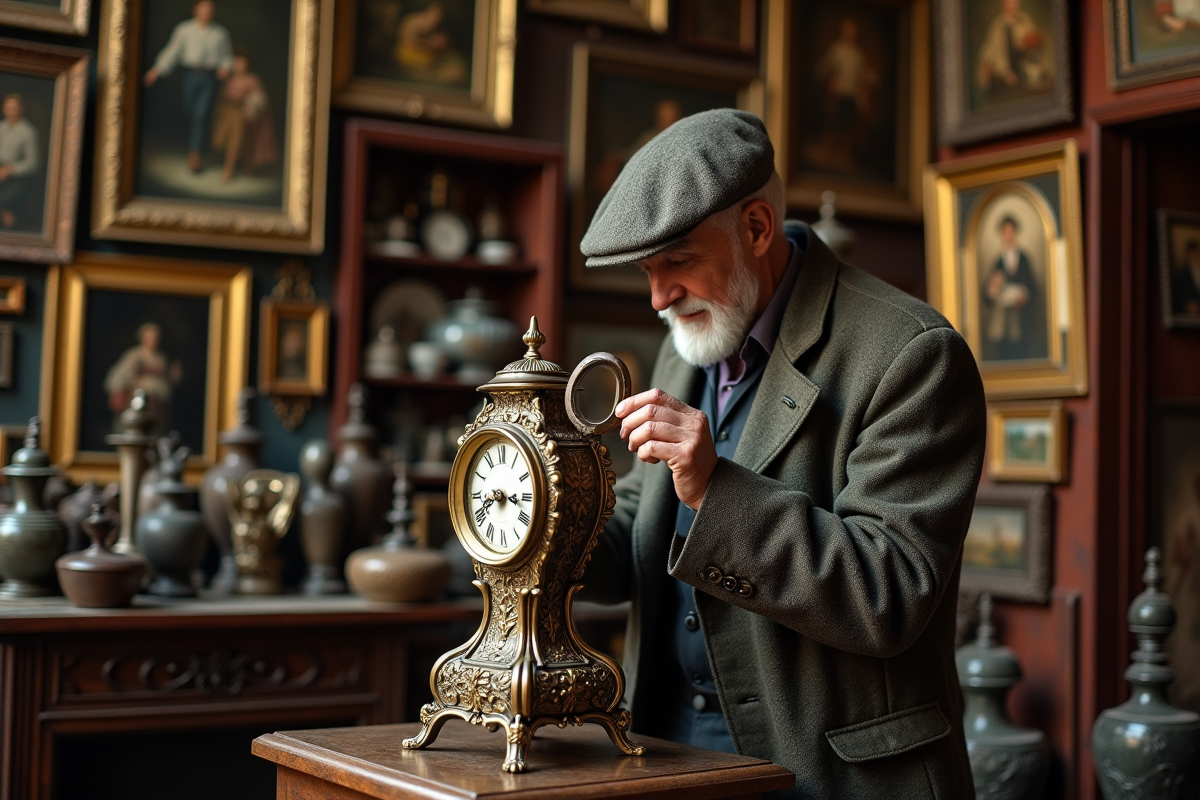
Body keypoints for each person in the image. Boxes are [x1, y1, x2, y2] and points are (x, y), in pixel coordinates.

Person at [579, 109, 985, 798]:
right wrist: (535, 523)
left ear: (757, 228)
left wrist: (714, 487)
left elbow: (888, 593)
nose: (658, 297)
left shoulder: (911, 355)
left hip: (833, 774)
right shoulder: (690, 344)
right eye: (647, 270)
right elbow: (640, 537)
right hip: (663, 750)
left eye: (677, 261)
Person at [144, 0, 234, 174]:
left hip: (209, 77)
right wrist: (157, 70)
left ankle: (195, 154)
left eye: (210, 9)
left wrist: (225, 67)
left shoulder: (220, 33)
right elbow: (172, 51)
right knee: (190, 111)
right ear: (196, 10)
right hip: (190, 76)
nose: (207, 12)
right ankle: (194, 146)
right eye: (204, 8)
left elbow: (227, 57)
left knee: (201, 114)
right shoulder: (184, 30)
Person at [813, 18, 878, 172]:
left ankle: (844, 157)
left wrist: (872, 80)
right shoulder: (837, 49)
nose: (851, 33)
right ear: (843, 31)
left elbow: (866, 75)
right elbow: (824, 67)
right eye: (848, 29)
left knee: (848, 127)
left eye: (853, 30)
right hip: (838, 93)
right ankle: (827, 153)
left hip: (852, 94)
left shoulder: (859, 53)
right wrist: (830, 80)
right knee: (832, 123)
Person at [981, 215, 1046, 362]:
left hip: (1022, 324)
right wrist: (993, 287)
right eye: (1005, 232)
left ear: (1015, 233)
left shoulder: (1024, 259)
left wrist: (1025, 297)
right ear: (1002, 234)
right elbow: (986, 296)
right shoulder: (997, 262)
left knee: (1021, 356)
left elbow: (1033, 288)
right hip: (1002, 327)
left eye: (1011, 231)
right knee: (1003, 358)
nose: (1008, 235)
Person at [211, 49, 278, 185]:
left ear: (248, 64)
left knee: (235, 142)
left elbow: (259, 98)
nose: (240, 65)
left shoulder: (252, 80)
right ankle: (220, 161)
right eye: (237, 62)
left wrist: (251, 109)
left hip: (240, 113)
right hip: (225, 111)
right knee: (220, 140)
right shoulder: (229, 77)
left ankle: (228, 170)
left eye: (243, 62)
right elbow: (221, 93)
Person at [104, 323, 182, 436]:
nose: (152, 340)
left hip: (157, 406)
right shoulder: (134, 355)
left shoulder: (161, 358)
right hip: (138, 402)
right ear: (143, 338)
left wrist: (174, 374)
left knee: (156, 433)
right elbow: (118, 377)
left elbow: (169, 381)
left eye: (155, 337)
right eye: (149, 337)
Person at [977, 0, 1050, 94]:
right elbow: (991, 52)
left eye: (1015, 3)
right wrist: (1005, 73)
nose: (1013, 6)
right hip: (1005, 73)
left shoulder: (1024, 20)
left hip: (1024, 67)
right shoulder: (997, 26)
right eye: (1010, 3)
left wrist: (1027, 43)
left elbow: (1034, 38)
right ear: (1004, 4)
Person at [0, 93, 39, 229]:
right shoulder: (1, 127)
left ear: (22, 109)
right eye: (8, 107)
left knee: (4, 199)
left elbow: (32, 163)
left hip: (16, 178)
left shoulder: (28, 132)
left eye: (14, 107)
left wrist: (10, 170)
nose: (11, 111)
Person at [1172, 240, 1200, 318]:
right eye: (1193, 252)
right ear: (1188, 254)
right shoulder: (1182, 274)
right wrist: (1187, 305)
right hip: (1189, 314)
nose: (1195, 255)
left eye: (1196, 252)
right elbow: (1179, 294)